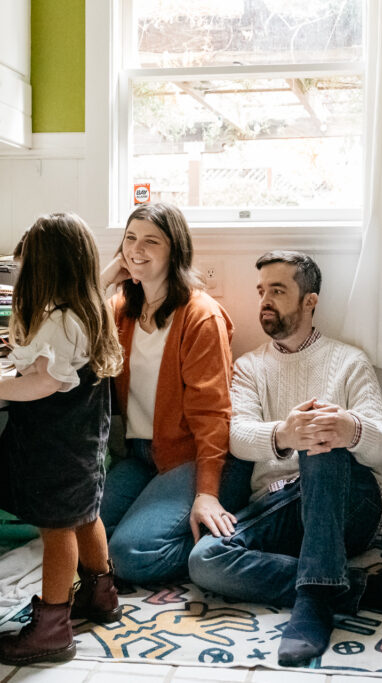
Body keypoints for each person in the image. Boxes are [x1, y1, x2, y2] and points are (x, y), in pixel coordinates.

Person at [187, 250, 382, 667]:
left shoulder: (348, 361)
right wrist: (284, 434)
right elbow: (236, 437)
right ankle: (361, 588)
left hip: (350, 505)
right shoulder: (250, 367)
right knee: (206, 560)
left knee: (321, 440)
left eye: (278, 290)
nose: (265, 301)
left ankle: (312, 606)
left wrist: (349, 428)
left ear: (310, 300)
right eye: (261, 291)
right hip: (282, 505)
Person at [0, 213, 125, 666]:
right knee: (83, 514)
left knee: (56, 531)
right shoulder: (89, 310)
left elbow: (43, 384)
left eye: (26, 269)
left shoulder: (59, 319)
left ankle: (53, 629)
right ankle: (102, 594)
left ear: (46, 269)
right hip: (82, 444)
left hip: (55, 445)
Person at [99, 202, 252, 585]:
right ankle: (166, 524)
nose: (137, 249)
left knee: (128, 555)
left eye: (152, 241)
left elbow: (213, 413)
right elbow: (71, 330)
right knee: (84, 537)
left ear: (175, 252)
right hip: (140, 456)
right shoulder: (120, 310)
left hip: (194, 458)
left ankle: (227, 536)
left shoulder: (201, 316)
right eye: (131, 239)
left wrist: (206, 493)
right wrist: (105, 277)